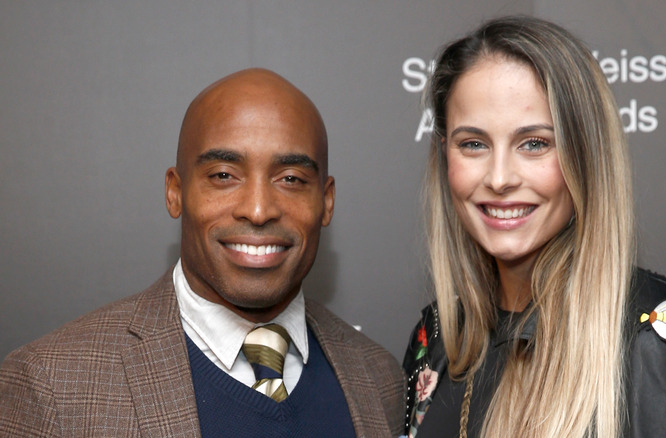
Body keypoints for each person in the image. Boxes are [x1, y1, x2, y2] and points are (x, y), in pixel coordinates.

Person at [402, 16, 666, 438]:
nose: (499, 178)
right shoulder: (439, 338)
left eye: (534, 143)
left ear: (585, 156)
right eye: (473, 144)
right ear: (444, 155)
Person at [0, 68, 405, 437]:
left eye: (291, 179)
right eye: (224, 176)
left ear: (327, 201)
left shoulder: (380, 378)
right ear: (175, 192)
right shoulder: (52, 384)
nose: (259, 210)